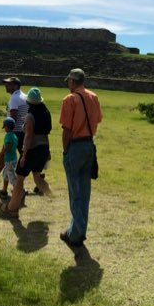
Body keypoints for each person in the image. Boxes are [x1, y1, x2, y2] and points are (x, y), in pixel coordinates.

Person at [59, 68, 101, 248]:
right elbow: (97, 120)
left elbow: (67, 130)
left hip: (75, 146)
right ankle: (78, 230)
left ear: (72, 81)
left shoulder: (70, 99)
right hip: (89, 145)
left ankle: (75, 234)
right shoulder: (94, 97)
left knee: (75, 193)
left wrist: (65, 151)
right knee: (84, 193)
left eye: (68, 81)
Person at [0, 88, 54, 218]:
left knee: (19, 180)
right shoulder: (46, 113)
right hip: (44, 148)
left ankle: (11, 209)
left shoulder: (30, 116)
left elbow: (28, 136)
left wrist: (24, 155)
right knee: (37, 178)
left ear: (29, 102)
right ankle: (54, 198)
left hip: (32, 150)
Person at [0, 77, 28, 188]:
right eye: (6, 84)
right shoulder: (25, 96)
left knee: (4, 156)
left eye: (9, 84)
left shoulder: (14, 98)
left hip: (15, 132)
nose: (6, 86)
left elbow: (13, 117)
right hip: (24, 131)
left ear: (16, 86)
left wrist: (9, 132)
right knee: (25, 157)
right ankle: (38, 180)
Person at [0, 117, 19, 202]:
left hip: (9, 160)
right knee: (5, 175)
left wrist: (1, 154)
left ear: (7, 127)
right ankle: (4, 191)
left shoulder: (8, 136)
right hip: (12, 159)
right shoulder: (14, 135)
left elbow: (7, 147)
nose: (4, 129)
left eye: (4, 127)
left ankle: (18, 192)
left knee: (12, 177)